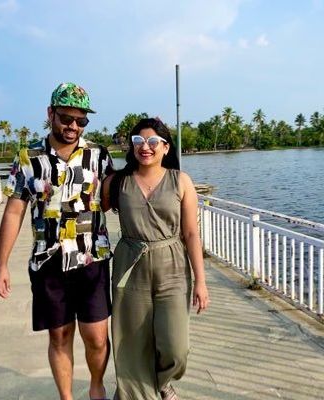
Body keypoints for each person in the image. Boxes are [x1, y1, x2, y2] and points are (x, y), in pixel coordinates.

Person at [0, 82, 113, 400]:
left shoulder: (99, 155)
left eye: (81, 120)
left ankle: (97, 386)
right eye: (66, 118)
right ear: (50, 114)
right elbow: (14, 212)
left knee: (97, 337)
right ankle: (66, 397)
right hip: (48, 261)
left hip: (92, 259)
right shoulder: (28, 157)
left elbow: (118, 197)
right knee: (59, 336)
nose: (73, 126)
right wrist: (1, 265)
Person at [102, 118, 209, 400]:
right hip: (130, 264)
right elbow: (87, 206)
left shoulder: (180, 181)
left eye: (152, 142)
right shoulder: (118, 182)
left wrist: (201, 281)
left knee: (176, 346)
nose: (145, 147)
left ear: (165, 147)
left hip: (172, 265)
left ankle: (163, 380)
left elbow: (191, 233)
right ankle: (136, 394)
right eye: (138, 141)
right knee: (131, 340)